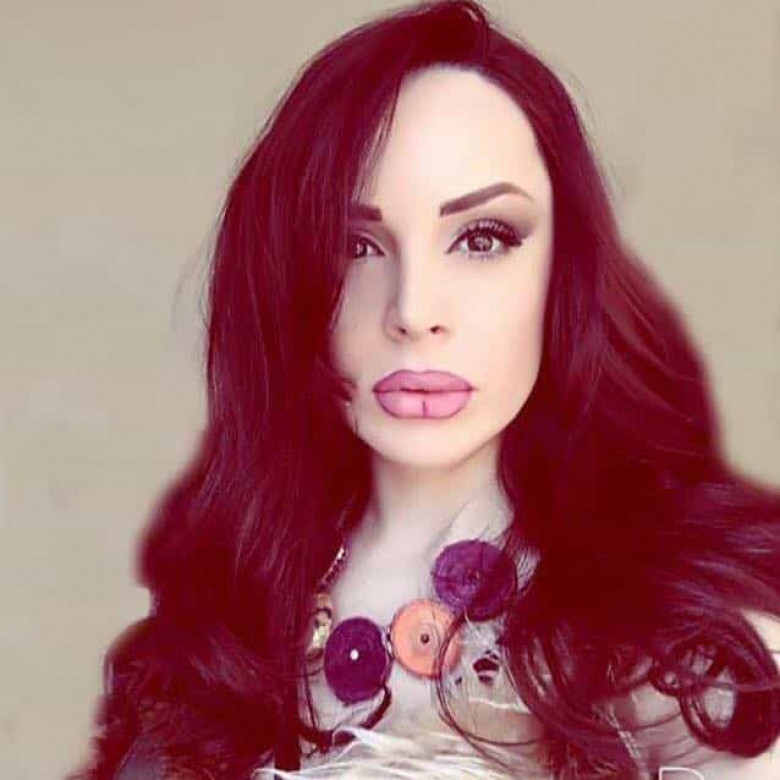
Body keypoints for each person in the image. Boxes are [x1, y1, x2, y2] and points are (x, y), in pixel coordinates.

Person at [69, 1, 780, 778]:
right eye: (354, 245)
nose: (412, 311)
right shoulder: (210, 622)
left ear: (564, 270)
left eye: (482, 238)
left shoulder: (670, 648)